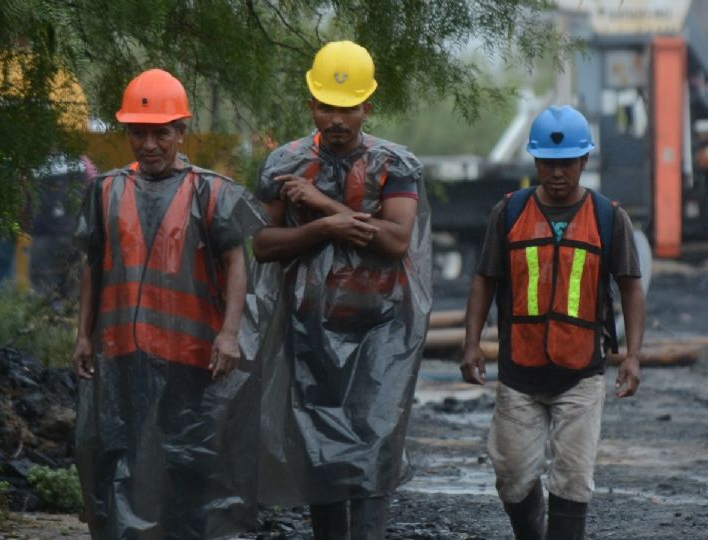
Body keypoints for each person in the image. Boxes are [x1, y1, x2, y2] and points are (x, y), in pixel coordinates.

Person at [71, 68, 265, 539]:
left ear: (181, 131)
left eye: (161, 133)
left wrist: (229, 332)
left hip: (189, 358)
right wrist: (82, 333)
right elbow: (94, 266)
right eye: (139, 133)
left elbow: (237, 262)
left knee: (187, 463)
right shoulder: (104, 191)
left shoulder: (211, 191)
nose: (150, 145)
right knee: (121, 458)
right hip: (122, 354)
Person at [251, 41, 432, 539]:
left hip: (381, 331)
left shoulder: (395, 164)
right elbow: (262, 244)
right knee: (319, 451)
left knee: (374, 446)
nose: (336, 119)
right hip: (307, 329)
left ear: (366, 108)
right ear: (311, 104)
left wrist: (319, 203)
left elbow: (396, 241)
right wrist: (324, 229)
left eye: (347, 108)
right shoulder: (282, 163)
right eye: (327, 106)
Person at [459, 105, 645, 540]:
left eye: (567, 164)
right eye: (548, 163)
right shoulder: (508, 213)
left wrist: (633, 357)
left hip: (581, 374)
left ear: (584, 161)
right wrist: (470, 344)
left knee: (573, 481)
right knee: (512, 477)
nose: (557, 173)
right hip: (519, 373)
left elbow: (631, 287)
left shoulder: (608, 217)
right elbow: (484, 281)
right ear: (535, 162)